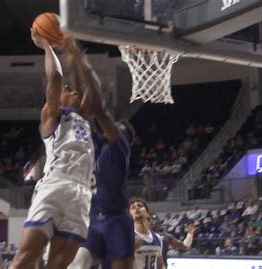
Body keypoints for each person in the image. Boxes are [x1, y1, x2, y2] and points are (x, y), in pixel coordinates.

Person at [11, 29, 96, 268]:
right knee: (26, 257)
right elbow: (56, 78)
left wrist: (75, 53)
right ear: (59, 98)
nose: (73, 90)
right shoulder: (52, 116)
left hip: (82, 192)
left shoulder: (85, 118)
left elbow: (90, 86)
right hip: (55, 184)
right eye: (69, 90)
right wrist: (47, 46)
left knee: (59, 264)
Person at [65, 35, 136, 269]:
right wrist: (74, 66)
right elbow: (83, 109)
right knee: (77, 264)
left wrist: (80, 59)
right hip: (94, 220)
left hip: (117, 221)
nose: (115, 128)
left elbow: (97, 107)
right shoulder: (95, 144)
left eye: (119, 127)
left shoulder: (120, 148)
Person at [130, 197, 165, 269]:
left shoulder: (157, 238)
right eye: (133, 207)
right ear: (130, 216)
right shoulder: (128, 238)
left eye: (140, 206)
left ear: (148, 213)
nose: (136, 208)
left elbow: (160, 265)